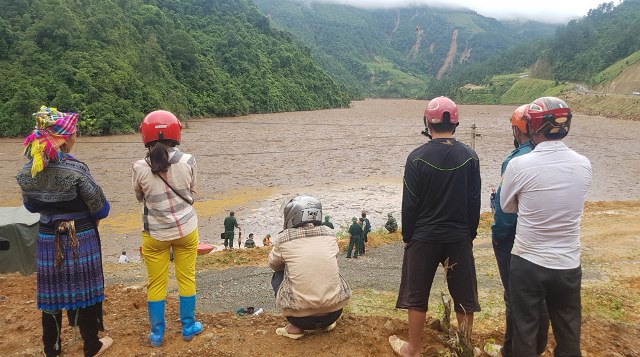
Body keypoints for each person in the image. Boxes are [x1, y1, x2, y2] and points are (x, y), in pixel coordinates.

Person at [15, 106, 113, 356]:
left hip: (48, 237)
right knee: (86, 290)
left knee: (51, 294)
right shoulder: (76, 170)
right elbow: (101, 208)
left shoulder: (27, 170)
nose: (75, 137)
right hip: (80, 237)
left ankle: (52, 348)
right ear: (65, 139)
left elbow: (29, 206)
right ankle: (91, 345)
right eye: (74, 133)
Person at [389, 96, 481, 357]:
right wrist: (469, 235)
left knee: (417, 294)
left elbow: (410, 204)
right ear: (456, 122)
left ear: (427, 122)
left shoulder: (417, 158)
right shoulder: (470, 157)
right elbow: (474, 202)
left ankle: (413, 348)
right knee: (464, 295)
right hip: (458, 236)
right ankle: (465, 347)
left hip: (424, 236)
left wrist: (409, 236)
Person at [500, 97, 591, 356]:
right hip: (567, 263)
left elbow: (506, 206)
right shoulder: (583, 164)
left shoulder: (519, 164)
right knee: (569, 332)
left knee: (525, 333)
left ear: (533, 126)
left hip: (528, 262)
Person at [132, 110, 203, 347]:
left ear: (146, 136)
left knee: (156, 283)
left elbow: (139, 196)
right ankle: (188, 327)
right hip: (186, 230)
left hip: (155, 234)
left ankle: (156, 334)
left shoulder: (139, 167)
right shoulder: (188, 160)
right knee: (186, 277)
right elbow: (192, 190)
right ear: (176, 134)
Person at [489, 105, 548, 357]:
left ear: (517, 128)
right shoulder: (552, 157)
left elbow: (505, 211)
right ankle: (536, 347)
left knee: (514, 294)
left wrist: (497, 234)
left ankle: (511, 349)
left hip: (515, 236)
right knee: (540, 296)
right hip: (543, 236)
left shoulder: (515, 160)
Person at [269, 195, 351, 339]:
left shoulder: (284, 238)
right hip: (334, 313)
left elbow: (273, 264)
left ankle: (294, 328)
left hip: (300, 319)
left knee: (279, 273)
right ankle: (325, 324)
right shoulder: (330, 233)